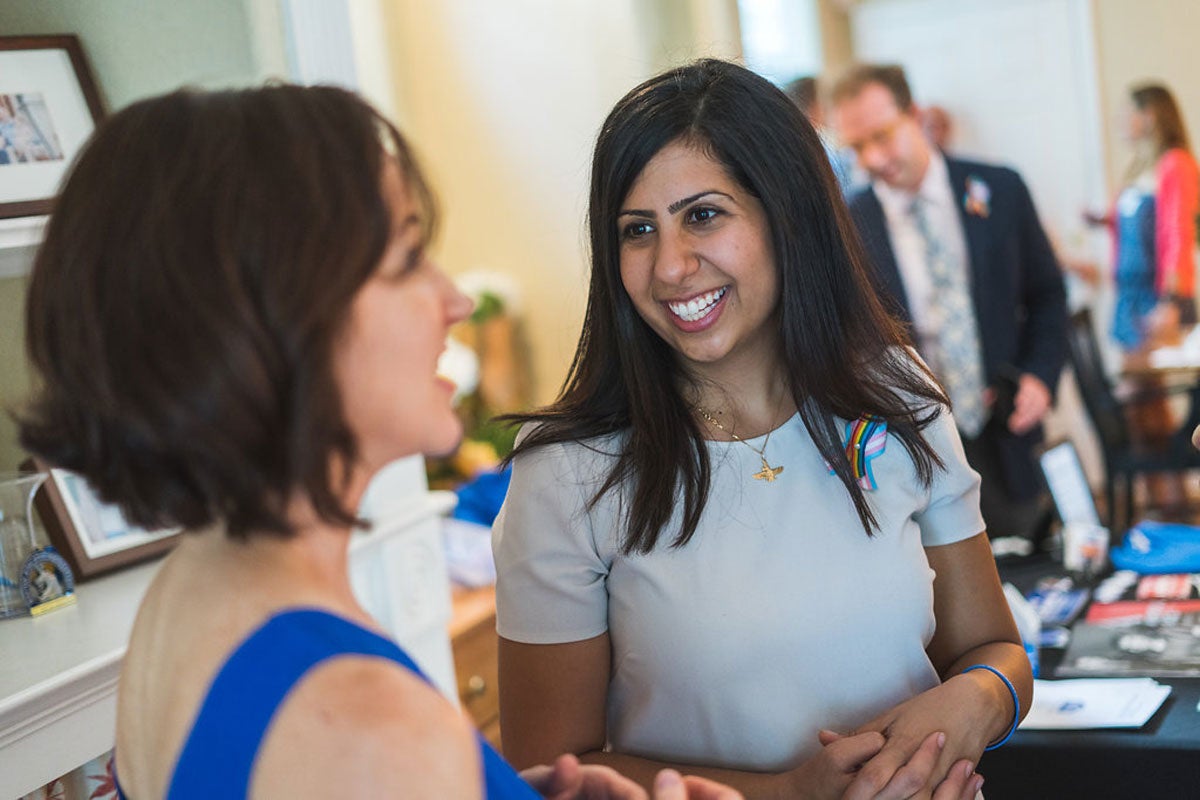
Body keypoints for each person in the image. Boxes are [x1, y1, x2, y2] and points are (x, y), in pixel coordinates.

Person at [18, 84, 738, 800]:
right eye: (406, 260)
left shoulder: (193, 586)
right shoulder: (370, 728)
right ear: (285, 321)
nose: (454, 301)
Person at [493, 59, 1023, 800]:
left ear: (788, 214)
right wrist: (782, 795)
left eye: (703, 215)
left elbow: (993, 649)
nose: (671, 266)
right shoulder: (570, 471)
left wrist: (980, 699)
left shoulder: (898, 395)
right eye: (637, 230)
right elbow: (547, 773)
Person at [830, 63, 1068, 543]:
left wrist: (1040, 377)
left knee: (1029, 563)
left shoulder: (999, 189)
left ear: (914, 116)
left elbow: (1047, 295)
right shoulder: (849, 227)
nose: (872, 159)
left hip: (1006, 434)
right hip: (916, 454)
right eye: (856, 147)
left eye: (882, 136)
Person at [1081, 82, 1199, 351]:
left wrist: (1171, 301)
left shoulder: (1175, 164)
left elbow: (1178, 232)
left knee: (1149, 384)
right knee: (1137, 384)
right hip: (1128, 296)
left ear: (1149, 116)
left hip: (1157, 296)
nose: (1120, 121)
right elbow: (1142, 226)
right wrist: (1104, 220)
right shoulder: (1139, 170)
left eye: (1126, 112)